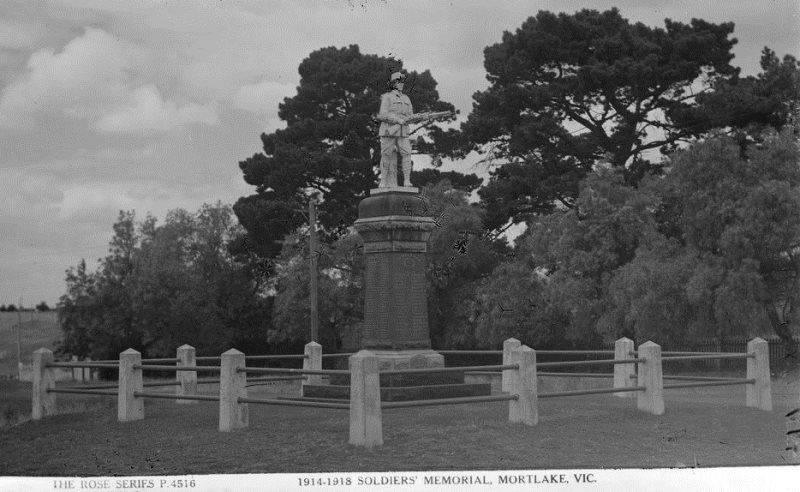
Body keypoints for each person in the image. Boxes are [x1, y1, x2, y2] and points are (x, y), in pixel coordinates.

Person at [376, 72, 414, 188]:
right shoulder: (387, 97)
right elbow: (382, 115)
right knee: (386, 154)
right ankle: (383, 181)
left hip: (402, 132)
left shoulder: (406, 98)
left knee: (407, 153)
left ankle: (407, 181)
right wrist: (398, 120)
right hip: (389, 131)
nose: (401, 84)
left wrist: (415, 118)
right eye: (399, 82)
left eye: (402, 82)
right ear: (393, 83)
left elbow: (410, 115)